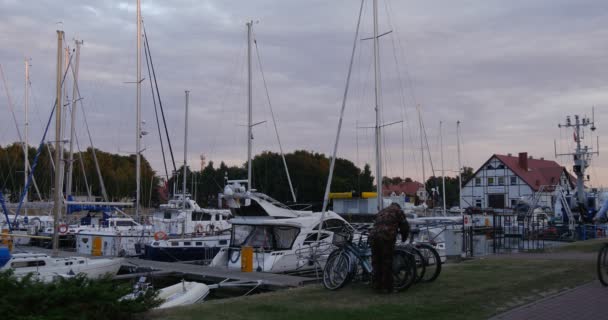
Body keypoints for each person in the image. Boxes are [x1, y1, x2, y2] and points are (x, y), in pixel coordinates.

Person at [369, 202, 410, 293]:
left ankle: (376, 285)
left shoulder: (382, 211)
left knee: (376, 262)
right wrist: (404, 238)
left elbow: (375, 222)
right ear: (398, 206)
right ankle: (387, 288)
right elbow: (405, 226)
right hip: (386, 237)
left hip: (373, 236)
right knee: (387, 262)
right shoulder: (398, 211)